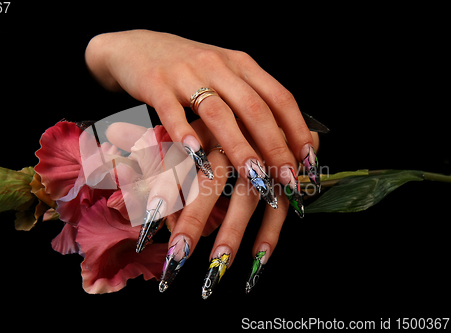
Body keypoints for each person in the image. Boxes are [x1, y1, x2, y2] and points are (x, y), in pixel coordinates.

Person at [85, 29, 320, 297]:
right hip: (127, 150)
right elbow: (92, 58)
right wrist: (113, 47)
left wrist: (288, 136)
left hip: (254, 194)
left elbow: (316, 128)